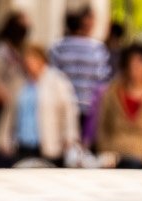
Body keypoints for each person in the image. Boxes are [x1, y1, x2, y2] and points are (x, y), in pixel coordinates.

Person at [0, 43, 79, 166]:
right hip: (23, 144)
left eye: (32, 60)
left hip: (48, 145)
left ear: (41, 60)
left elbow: (69, 110)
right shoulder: (20, 82)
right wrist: (4, 138)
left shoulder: (57, 81)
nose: (29, 65)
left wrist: (70, 137)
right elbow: (10, 113)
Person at [49, 7, 111, 149]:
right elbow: (103, 78)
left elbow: (52, 75)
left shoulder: (58, 47)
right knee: (84, 148)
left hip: (63, 105)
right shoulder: (97, 48)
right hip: (88, 105)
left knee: (65, 147)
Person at [0, 11, 29, 118]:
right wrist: (5, 98)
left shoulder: (20, 51)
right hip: (3, 106)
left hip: (18, 105)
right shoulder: (1, 50)